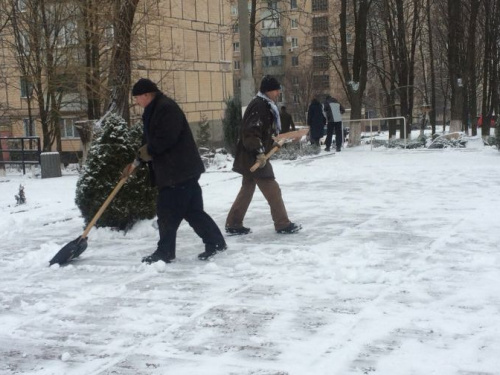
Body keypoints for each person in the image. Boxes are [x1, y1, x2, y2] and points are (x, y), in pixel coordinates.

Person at [123, 78, 227, 264]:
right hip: (179, 170)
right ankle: (216, 242)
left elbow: (165, 139)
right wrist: (136, 160)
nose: (136, 102)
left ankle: (165, 252)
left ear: (146, 95)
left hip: (178, 171)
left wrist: (145, 154)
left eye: (137, 97)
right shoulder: (153, 110)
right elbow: (147, 139)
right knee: (193, 211)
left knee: (166, 212)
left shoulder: (166, 108)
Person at [225, 75, 301, 235]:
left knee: (247, 188)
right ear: (267, 90)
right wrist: (259, 153)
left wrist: (282, 139)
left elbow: (265, 133)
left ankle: (233, 223)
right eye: (275, 90)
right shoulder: (259, 106)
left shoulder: (265, 105)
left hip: (253, 155)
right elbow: (251, 132)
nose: (278, 93)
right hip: (254, 157)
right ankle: (282, 223)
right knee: (272, 189)